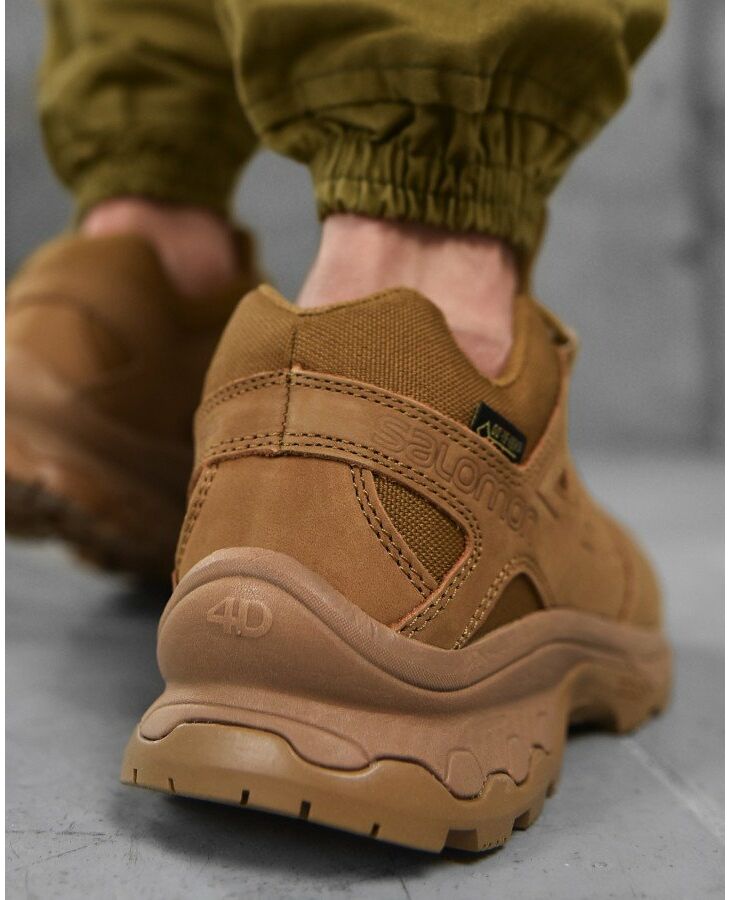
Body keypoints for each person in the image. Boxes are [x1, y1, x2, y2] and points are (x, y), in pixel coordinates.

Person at [7, 0, 671, 852]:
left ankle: (143, 254)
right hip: (420, 514)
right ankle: (429, 295)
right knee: (427, 225)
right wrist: (429, 169)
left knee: (155, 174)